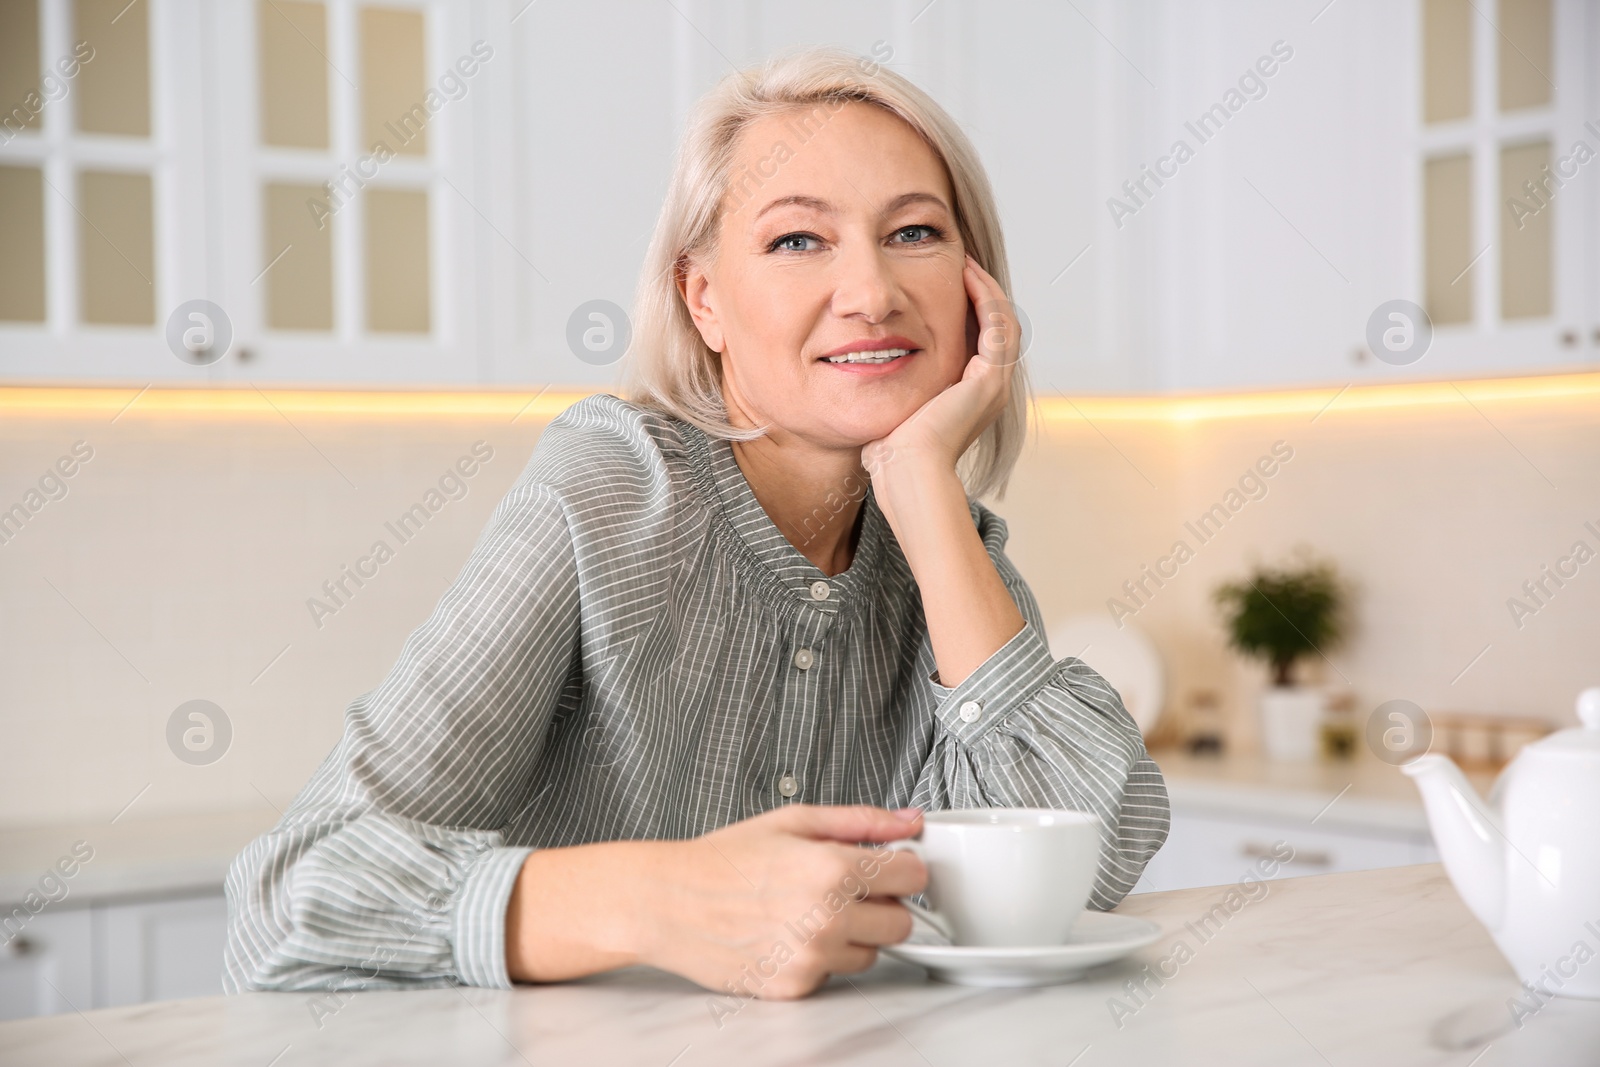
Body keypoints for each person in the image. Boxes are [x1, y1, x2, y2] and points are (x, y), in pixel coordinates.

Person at [224, 45, 1169, 1002]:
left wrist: (922, 483)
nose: (873, 293)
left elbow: (1073, 870)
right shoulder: (612, 496)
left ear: (975, 288)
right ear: (704, 298)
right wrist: (658, 898)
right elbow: (284, 901)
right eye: (798, 241)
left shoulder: (949, 556)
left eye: (915, 233)